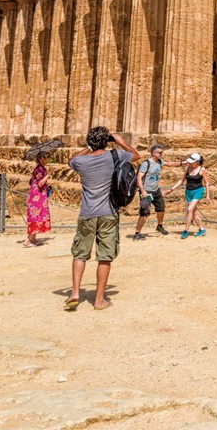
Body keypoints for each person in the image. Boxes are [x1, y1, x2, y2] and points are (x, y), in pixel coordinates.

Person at [65, 126, 136, 311]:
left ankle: (74, 293)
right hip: (108, 213)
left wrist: (89, 146)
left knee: (80, 254)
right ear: (107, 141)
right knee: (105, 257)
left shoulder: (81, 162)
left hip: (87, 213)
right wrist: (121, 143)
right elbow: (135, 156)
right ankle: (99, 300)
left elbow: (70, 161)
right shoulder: (114, 156)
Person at [133, 144, 175, 240]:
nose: (161, 154)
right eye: (160, 152)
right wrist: (143, 191)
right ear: (153, 153)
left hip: (156, 190)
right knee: (144, 212)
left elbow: (169, 164)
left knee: (161, 208)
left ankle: (159, 226)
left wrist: (182, 163)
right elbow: (139, 178)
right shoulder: (146, 164)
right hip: (147, 191)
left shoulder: (159, 162)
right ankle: (137, 233)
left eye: (162, 152)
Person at [167, 152, 210, 238]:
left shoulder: (202, 169)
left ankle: (186, 230)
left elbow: (206, 182)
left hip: (198, 191)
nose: (190, 163)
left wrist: (208, 195)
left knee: (190, 209)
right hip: (188, 192)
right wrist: (171, 189)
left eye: (192, 162)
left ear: (197, 162)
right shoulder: (187, 168)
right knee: (194, 212)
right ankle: (202, 229)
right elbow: (181, 180)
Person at [25, 153, 52, 247]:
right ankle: (28, 240)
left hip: (38, 195)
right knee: (35, 216)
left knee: (38, 215)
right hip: (37, 196)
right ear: (40, 159)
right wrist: (48, 175)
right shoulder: (40, 169)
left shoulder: (40, 168)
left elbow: (32, 182)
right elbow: (40, 183)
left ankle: (33, 239)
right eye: (45, 158)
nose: (47, 160)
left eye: (48, 158)